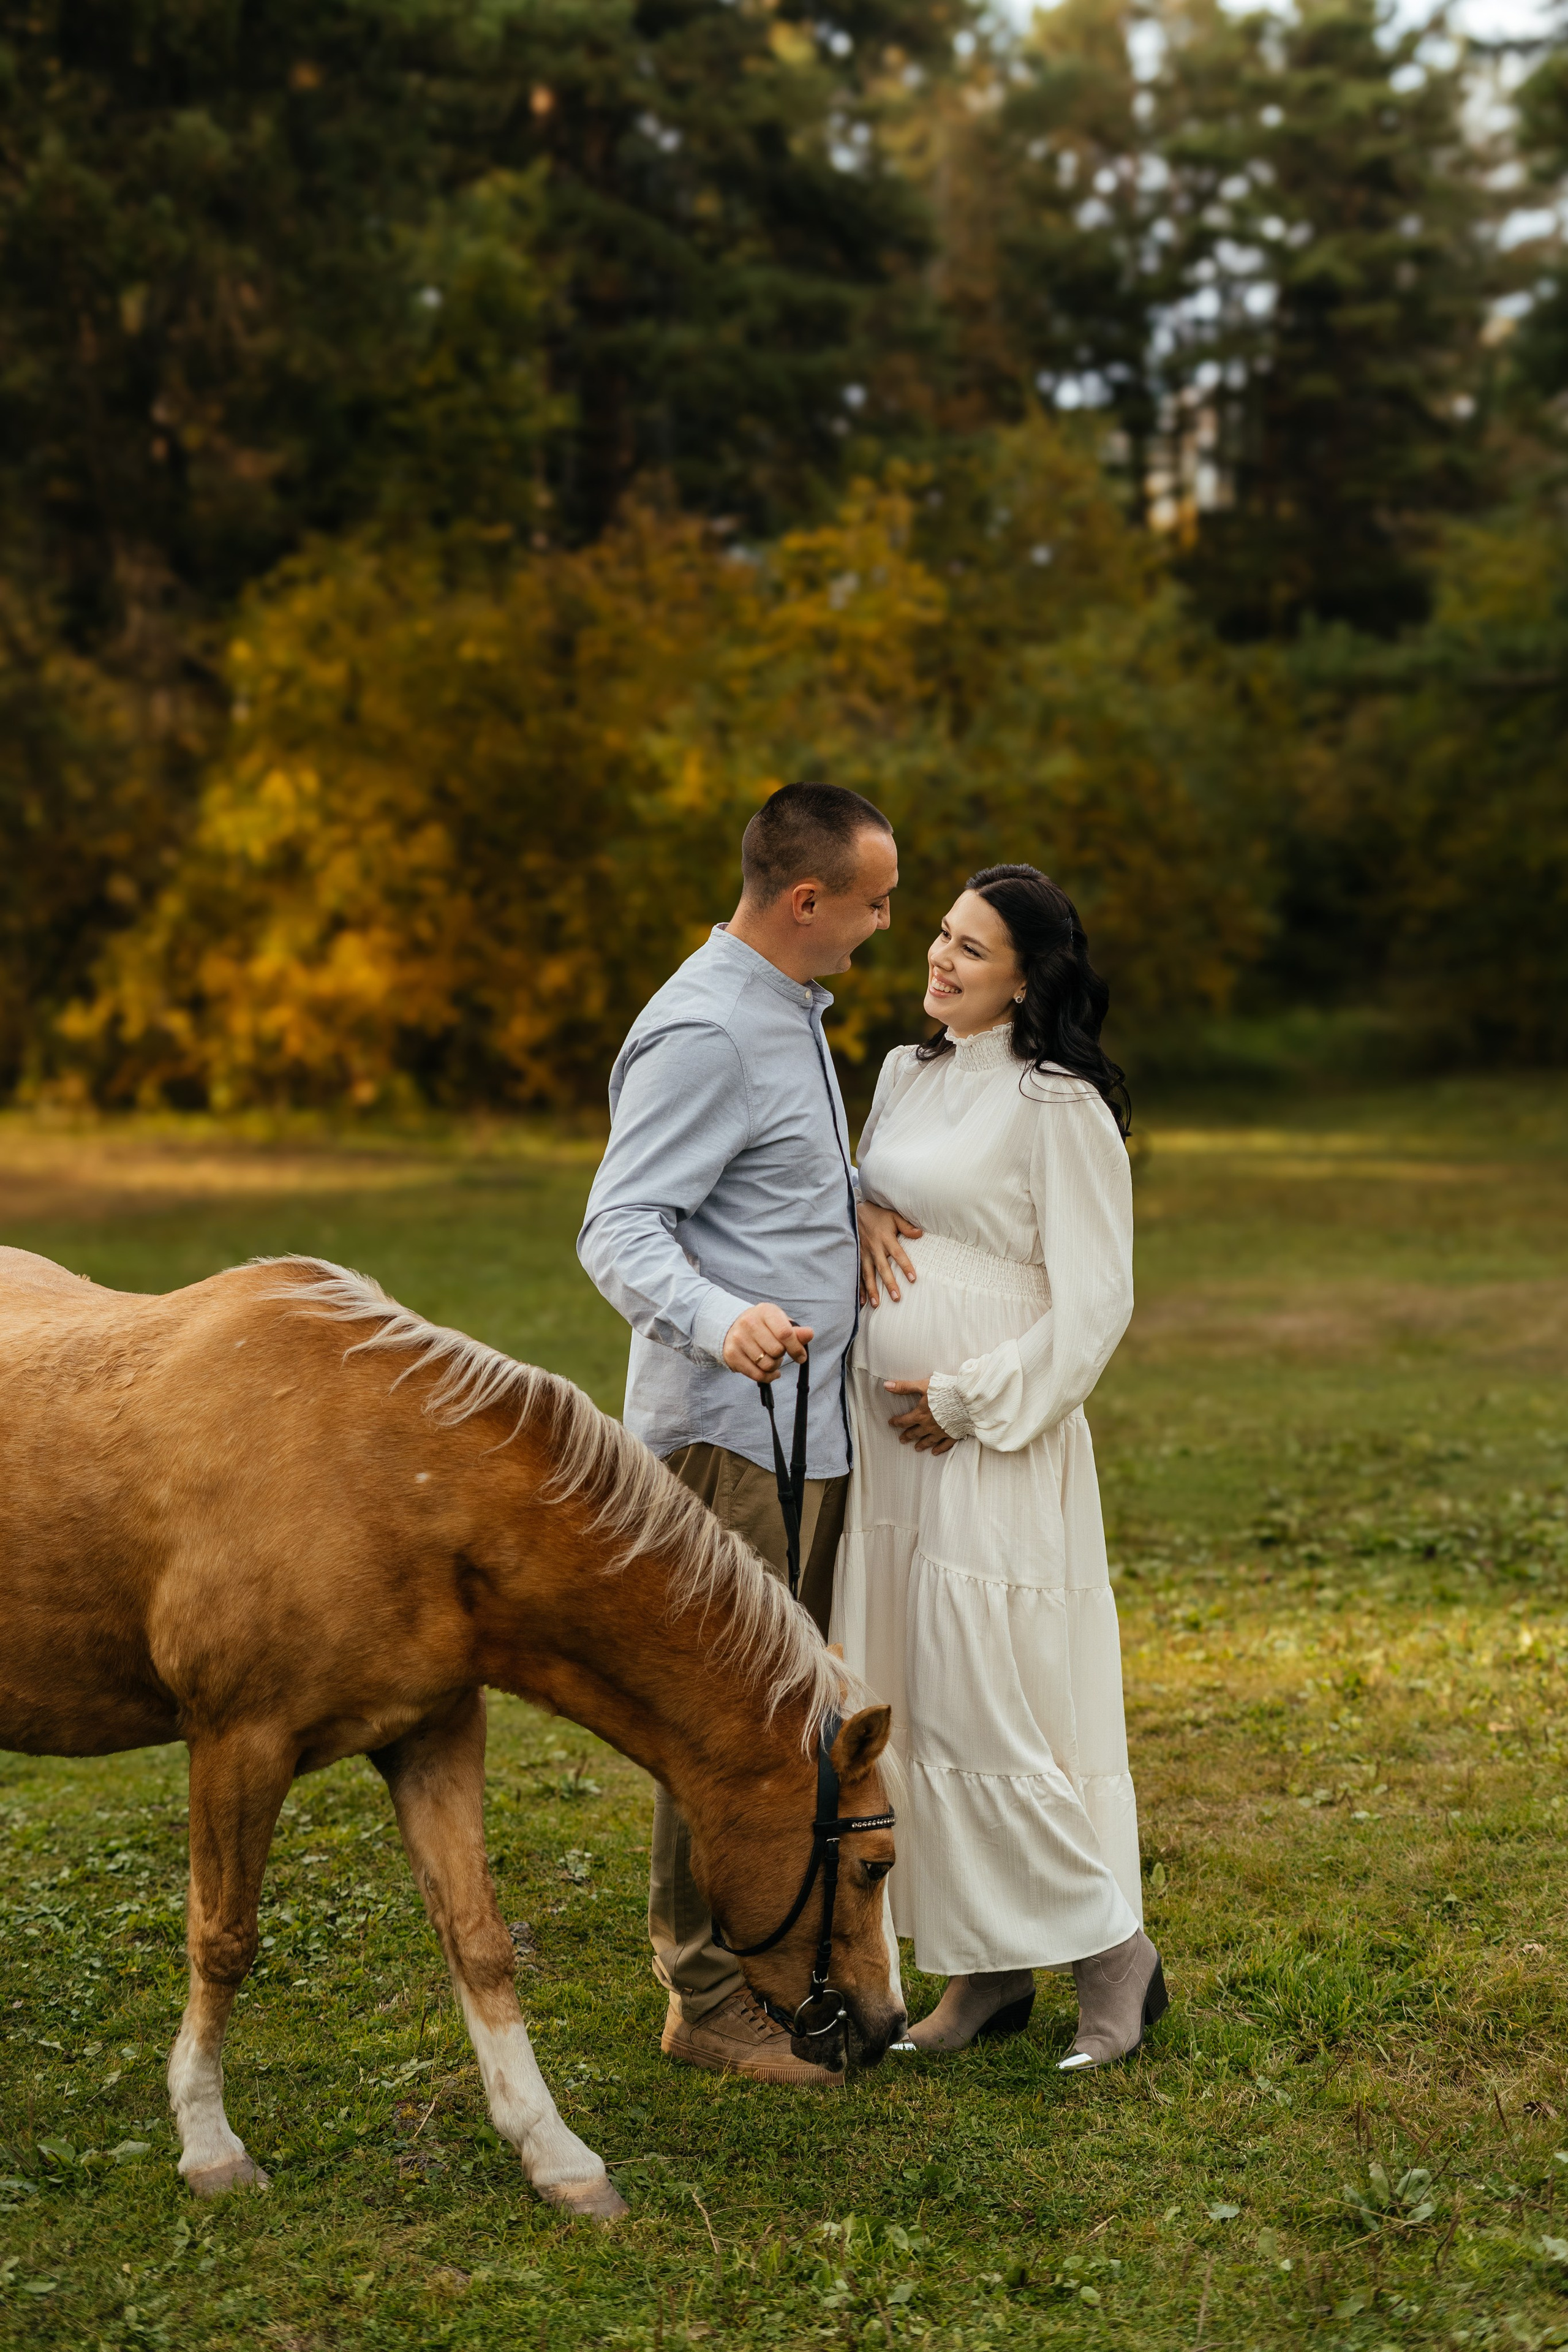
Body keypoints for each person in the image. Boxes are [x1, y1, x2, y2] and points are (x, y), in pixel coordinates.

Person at [577, 780, 900, 2089]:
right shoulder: (706, 1029)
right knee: (723, 1724)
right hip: (723, 1439)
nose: (889, 925)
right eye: (875, 902)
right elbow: (618, 1227)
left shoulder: (785, 1014)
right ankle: (704, 1997)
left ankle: (779, 1956)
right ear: (807, 899)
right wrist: (721, 1321)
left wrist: (854, 1202)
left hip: (806, 1437)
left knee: (788, 1728)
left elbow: (760, 1178)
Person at [832, 864, 1165, 2067]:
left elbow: (1095, 1308)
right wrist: (853, 1207)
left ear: (1026, 977)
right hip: (892, 1459)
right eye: (937, 935)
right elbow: (869, 1207)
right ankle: (980, 1974)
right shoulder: (902, 1075)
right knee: (911, 1704)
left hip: (990, 1448)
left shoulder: (1056, 1105)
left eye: (969, 950)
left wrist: (970, 1399)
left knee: (995, 1704)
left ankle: (1112, 1959)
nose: (937, 960)